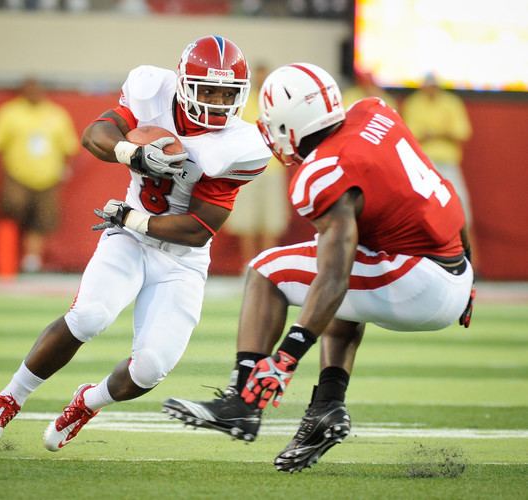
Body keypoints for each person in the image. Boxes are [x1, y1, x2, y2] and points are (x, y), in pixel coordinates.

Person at [164, 63, 475, 472]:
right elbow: (441, 191)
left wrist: (285, 358)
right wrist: (467, 269)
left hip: (416, 281)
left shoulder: (322, 173)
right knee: (342, 263)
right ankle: (327, 407)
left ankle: (241, 401)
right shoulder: (375, 111)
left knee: (266, 270)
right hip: (453, 267)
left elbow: (334, 279)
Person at [0, 35, 271, 451]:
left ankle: (87, 402)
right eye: (207, 89)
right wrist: (129, 153)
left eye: (227, 92)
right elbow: (95, 133)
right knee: (89, 316)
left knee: (151, 368)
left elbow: (199, 227)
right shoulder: (151, 89)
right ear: (184, 83)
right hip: (128, 239)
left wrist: (130, 216)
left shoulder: (241, 146)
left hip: (181, 256)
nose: (218, 101)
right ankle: (11, 396)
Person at [0, 77, 79, 272]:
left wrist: (63, 170)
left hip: (48, 177)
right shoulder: (9, 112)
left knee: (42, 218)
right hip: (16, 175)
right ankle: (6, 259)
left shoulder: (56, 114)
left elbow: (69, 147)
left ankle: (31, 260)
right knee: (12, 210)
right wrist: (0, 176)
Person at [225, 63, 289, 267]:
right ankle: (249, 265)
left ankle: (269, 265)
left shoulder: (278, 103)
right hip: (249, 170)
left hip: (272, 169)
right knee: (247, 222)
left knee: (271, 222)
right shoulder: (242, 103)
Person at [401, 73, 473, 223]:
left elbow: (461, 133)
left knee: (460, 204)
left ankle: (466, 244)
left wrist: (431, 133)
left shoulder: (451, 103)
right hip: (423, 165)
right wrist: (443, 132)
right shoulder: (414, 103)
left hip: (448, 163)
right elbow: (410, 136)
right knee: (421, 207)